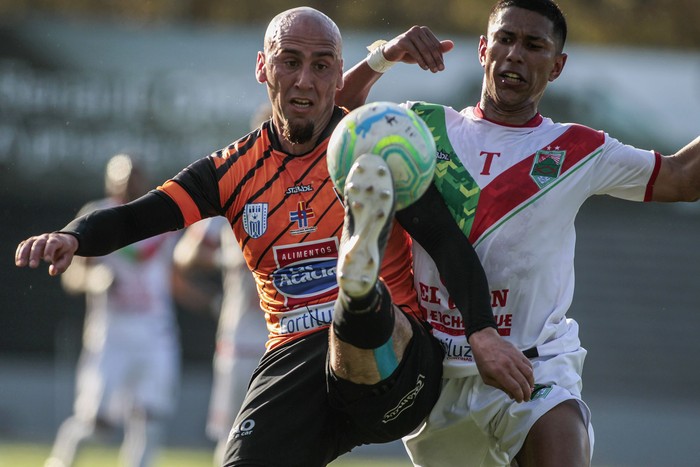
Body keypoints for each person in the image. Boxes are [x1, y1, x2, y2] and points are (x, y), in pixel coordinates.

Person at [15, 7, 530, 466]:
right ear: (263, 67)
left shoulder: (376, 150)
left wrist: (482, 331)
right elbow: (137, 217)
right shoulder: (229, 170)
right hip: (294, 364)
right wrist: (73, 237)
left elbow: (445, 241)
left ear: (336, 78)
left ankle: (358, 284)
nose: (305, 79)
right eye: (290, 61)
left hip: (396, 366)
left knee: (356, 314)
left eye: (322, 65)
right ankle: (356, 280)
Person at [338, 0, 700, 466]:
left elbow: (683, 178)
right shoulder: (422, 127)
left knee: (560, 434)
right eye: (505, 40)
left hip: (535, 366)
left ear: (557, 65)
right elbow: (340, 125)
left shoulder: (580, 149)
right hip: (435, 374)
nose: (515, 54)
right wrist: (382, 57)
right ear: (484, 50)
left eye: (534, 45)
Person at [43, 154, 181, 467]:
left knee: (150, 417)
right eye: (121, 176)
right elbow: (74, 277)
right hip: (111, 333)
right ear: (109, 179)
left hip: (156, 332)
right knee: (97, 424)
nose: (128, 182)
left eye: (134, 176)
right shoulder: (97, 215)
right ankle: (60, 460)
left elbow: (172, 272)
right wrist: (95, 280)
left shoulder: (161, 216)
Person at [173, 216, 267, 466]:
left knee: (292, 433)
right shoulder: (229, 198)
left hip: (291, 338)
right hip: (241, 342)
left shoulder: (302, 195)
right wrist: (224, 258)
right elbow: (183, 256)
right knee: (232, 434)